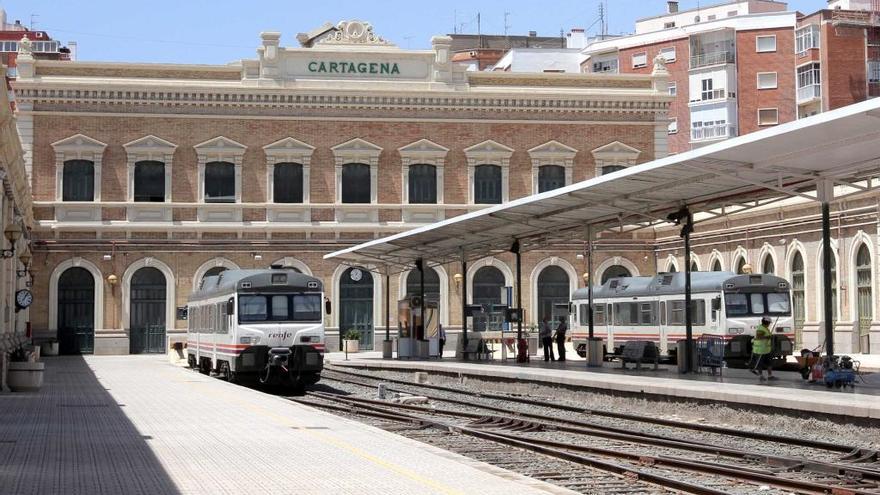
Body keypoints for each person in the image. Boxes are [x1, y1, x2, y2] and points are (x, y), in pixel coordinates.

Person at [750, 316, 776, 381]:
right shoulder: (760, 329)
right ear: (767, 322)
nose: (769, 324)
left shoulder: (765, 328)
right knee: (760, 364)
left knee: (769, 363)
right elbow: (758, 337)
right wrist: (768, 337)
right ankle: (761, 376)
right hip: (760, 350)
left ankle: (770, 376)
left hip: (766, 350)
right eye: (769, 323)